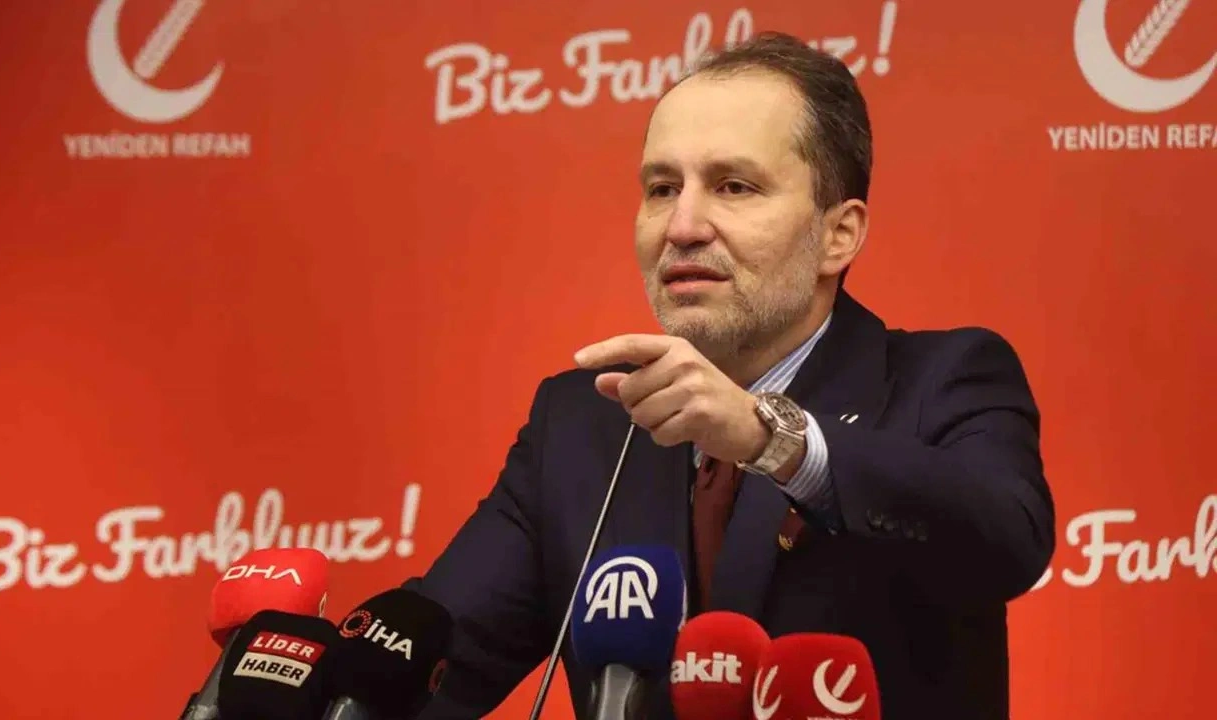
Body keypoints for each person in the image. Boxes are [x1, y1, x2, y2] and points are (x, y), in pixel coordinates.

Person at [404, 31, 1055, 720]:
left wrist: (770, 437)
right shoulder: (584, 422)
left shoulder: (945, 379)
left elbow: (1007, 543)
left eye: (734, 186)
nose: (682, 226)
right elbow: (436, 660)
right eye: (662, 189)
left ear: (838, 235)